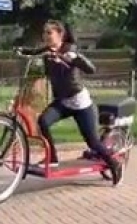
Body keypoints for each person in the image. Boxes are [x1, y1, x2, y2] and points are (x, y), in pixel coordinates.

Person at [16, 20, 123, 185]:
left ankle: (114, 164)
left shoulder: (70, 50)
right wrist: (21, 50)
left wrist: (75, 58)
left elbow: (91, 69)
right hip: (62, 102)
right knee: (43, 121)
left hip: (80, 103)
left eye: (49, 33)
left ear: (60, 35)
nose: (45, 36)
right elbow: (33, 52)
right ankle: (52, 157)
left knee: (93, 143)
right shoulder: (47, 51)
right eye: (44, 33)